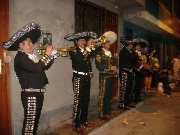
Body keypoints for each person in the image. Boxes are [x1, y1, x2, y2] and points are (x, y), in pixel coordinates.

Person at [1, 22, 55, 134]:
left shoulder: (31, 57)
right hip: (30, 94)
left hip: (38, 93)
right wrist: (46, 54)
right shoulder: (20, 58)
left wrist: (52, 56)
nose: (32, 45)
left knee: (34, 122)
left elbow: (43, 67)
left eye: (31, 43)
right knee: (30, 124)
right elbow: (37, 68)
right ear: (21, 45)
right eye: (29, 43)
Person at [64, 31, 97, 133]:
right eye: (82, 40)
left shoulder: (86, 50)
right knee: (78, 102)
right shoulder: (73, 51)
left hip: (86, 78)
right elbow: (78, 60)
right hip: (78, 78)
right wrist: (87, 49)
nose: (84, 42)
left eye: (84, 40)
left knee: (86, 100)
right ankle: (75, 124)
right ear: (77, 42)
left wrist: (90, 71)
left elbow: (88, 62)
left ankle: (84, 120)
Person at [95, 31, 118, 120]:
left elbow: (113, 64)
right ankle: (101, 113)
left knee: (109, 94)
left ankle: (107, 110)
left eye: (109, 43)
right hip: (104, 76)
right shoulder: (99, 53)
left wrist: (115, 69)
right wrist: (110, 67)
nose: (109, 44)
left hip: (111, 76)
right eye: (107, 43)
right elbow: (99, 66)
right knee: (103, 95)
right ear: (103, 44)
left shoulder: (109, 53)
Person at [118, 38, 136, 110]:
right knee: (124, 88)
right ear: (128, 45)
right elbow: (132, 57)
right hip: (124, 71)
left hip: (128, 71)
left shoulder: (128, 51)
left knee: (129, 87)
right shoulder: (124, 51)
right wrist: (135, 53)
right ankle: (121, 104)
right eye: (131, 45)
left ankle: (127, 102)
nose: (132, 46)